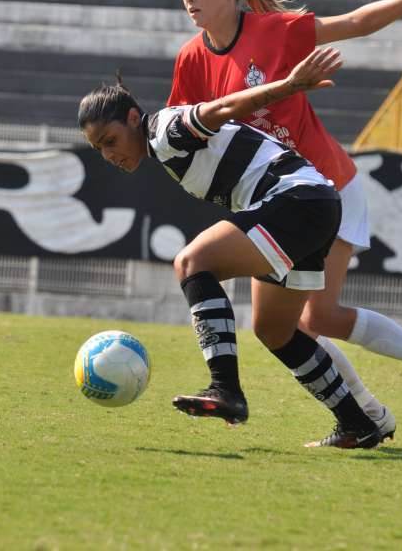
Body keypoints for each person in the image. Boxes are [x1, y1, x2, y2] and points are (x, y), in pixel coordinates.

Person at [169, 0, 402, 426]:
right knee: (279, 327)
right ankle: (368, 416)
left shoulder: (273, 30)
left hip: (328, 189)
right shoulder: (190, 60)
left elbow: (352, 24)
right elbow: (182, 128)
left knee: (318, 318)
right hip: (277, 201)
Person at [81, 46, 385, 449]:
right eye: (98, 148)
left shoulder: (164, 129)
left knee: (192, 262)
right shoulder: (159, 143)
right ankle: (357, 423)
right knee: (275, 331)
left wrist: (290, 85)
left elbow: (221, 108)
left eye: (110, 139)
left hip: (298, 201)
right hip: (312, 204)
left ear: (133, 118)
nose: (108, 154)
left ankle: (225, 388)